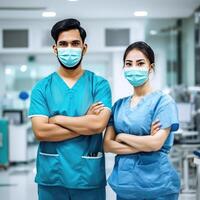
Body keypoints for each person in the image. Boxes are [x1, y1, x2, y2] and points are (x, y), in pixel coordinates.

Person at [28, 18, 111, 200]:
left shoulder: (99, 85)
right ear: (55, 49)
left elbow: (97, 125)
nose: (69, 49)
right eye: (63, 44)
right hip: (52, 178)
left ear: (84, 48)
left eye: (75, 43)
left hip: (88, 177)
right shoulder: (42, 87)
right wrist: (84, 122)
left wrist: (57, 119)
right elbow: (41, 131)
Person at [104, 41, 180, 200]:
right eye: (128, 63)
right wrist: (144, 142)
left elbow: (155, 144)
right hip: (125, 186)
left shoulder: (163, 102)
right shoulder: (118, 105)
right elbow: (107, 145)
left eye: (140, 63)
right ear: (124, 68)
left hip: (157, 186)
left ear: (150, 67)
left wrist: (122, 137)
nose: (134, 68)